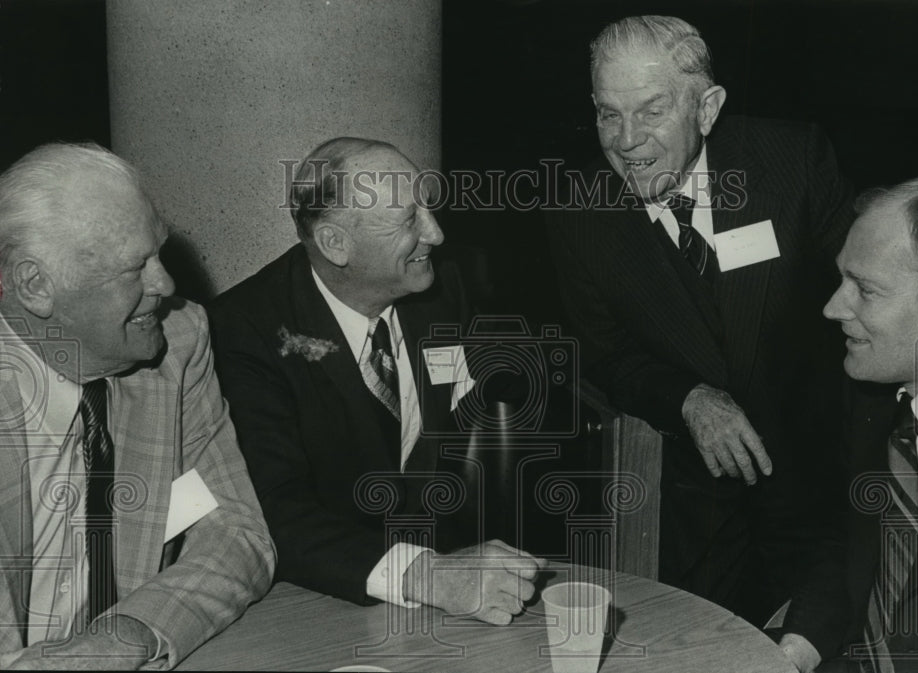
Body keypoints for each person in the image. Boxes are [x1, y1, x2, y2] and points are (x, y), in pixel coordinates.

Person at [547, 14, 855, 622]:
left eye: (651, 110)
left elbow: (866, 290)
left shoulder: (792, 159)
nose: (626, 139)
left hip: (820, 472)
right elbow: (606, 354)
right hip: (691, 493)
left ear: (707, 108)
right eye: (609, 113)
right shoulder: (577, 210)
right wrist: (688, 398)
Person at [209, 137, 545, 625]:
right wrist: (426, 576)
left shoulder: (440, 289)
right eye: (409, 220)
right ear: (335, 244)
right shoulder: (246, 332)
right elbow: (274, 514)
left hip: (449, 590)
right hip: (317, 600)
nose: (436, 232)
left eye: (427, 208)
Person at [0, 143, 275, 669]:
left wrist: (128, 634)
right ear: (36, 286)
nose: (166, 284)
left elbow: (236, 533)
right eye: (135, 268)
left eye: (160, 253)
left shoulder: (177, 342)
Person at [779, 174, 918, 673]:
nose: (833, 307)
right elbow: (853, 543)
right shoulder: (875, 388)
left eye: (866, 289)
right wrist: (789, 655)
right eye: (842, 279)